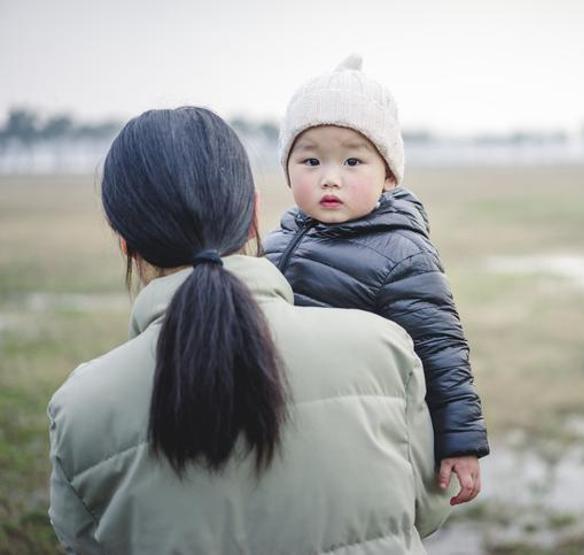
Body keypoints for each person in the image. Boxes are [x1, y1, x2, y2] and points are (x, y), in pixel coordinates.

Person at [47, 106, 451, 554]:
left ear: (125, 242)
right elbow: (427, 510)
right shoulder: (383, 347)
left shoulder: (79, 408)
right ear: (254, 214)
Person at [263, 55, 489, 506]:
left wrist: (459, 442)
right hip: (281, 422)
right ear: (287, 170)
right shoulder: (276, 240)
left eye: (352, 161)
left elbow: (441, 348)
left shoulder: (402, 251)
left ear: (388, 174)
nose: (330, 178)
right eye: (311, 160)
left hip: (356, 433)